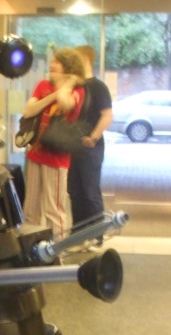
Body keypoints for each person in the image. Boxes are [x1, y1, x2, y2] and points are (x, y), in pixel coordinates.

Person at [21, 48, 85, 241]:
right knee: (30, 207)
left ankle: (57, 248)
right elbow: (29, 110)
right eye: (52, 61)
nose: (51, 64)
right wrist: (53, 94)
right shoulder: (43, 85)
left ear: (68, 66)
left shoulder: (77, 91)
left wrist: (69, 82)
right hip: (35, 151)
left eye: (57, 62)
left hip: (56, 156)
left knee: (53, 208)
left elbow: (65, 104)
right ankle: (31, 246)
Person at [67, 45, 113, 229]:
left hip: (90, 148)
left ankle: (96, 233)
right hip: (72, 146)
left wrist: (93, 137)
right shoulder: (73, 86)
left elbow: (107, 115)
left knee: (90, 191)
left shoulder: (98, 87)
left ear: (85, 60)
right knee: (74, 191)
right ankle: (78, 231)